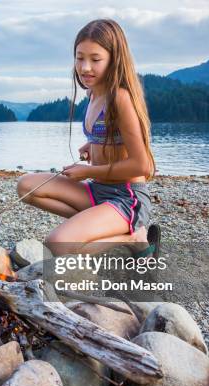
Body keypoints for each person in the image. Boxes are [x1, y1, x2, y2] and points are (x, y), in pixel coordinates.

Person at [17, 18, 161, 257]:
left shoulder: (120, 98)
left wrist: (87, 171)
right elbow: (109, 136)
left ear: (114, 60)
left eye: (95, 59)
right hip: (97, 192)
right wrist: (90, 145)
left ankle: (134, 237)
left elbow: (142, 165)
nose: (85, 68)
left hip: (127, 198)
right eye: (79, 57)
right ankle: (93, 225)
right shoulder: (93, 94)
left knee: (56, 245)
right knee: (26, 186)